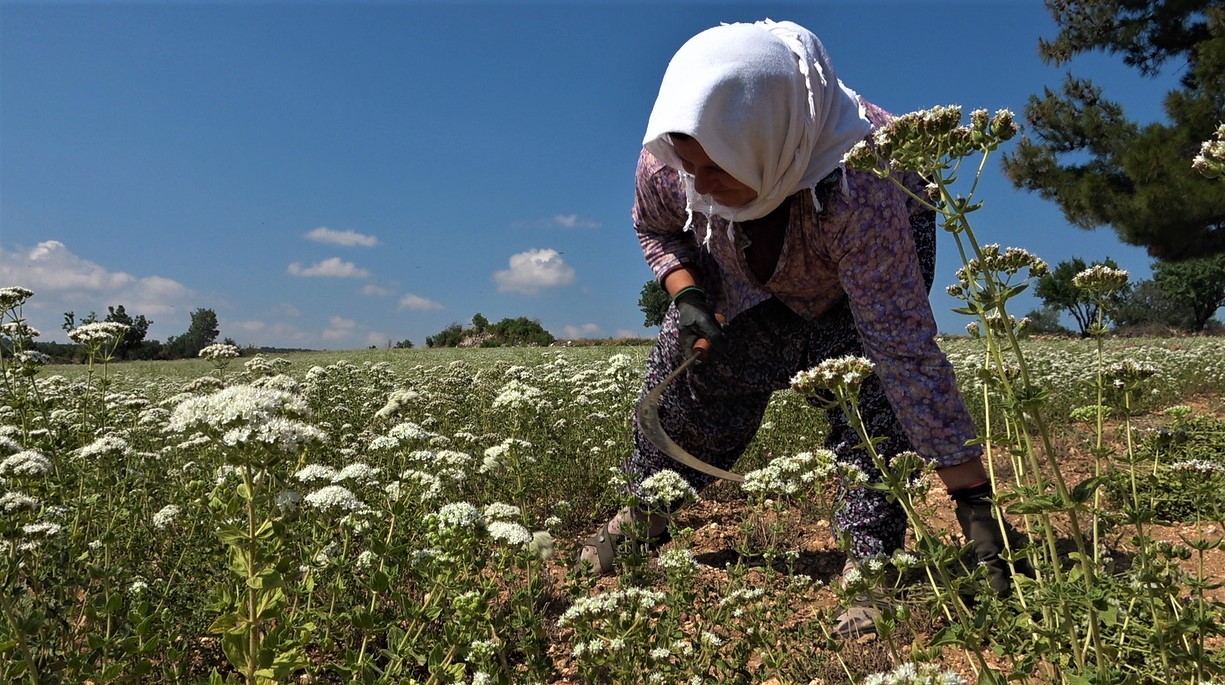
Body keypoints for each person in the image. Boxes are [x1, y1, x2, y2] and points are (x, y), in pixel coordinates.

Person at [577, 19, 1026, 637]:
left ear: (766, 143)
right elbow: (656, 229)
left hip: (859, 267)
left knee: (871, 398)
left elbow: (905, 351)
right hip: (738, 263)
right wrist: (687, 296)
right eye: (690, 169)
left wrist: (972, 501)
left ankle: (872, 562)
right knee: (696, 383)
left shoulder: (863, 185)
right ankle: (648, 511)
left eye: (716, 170)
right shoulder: (673, 162)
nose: (699, 186)